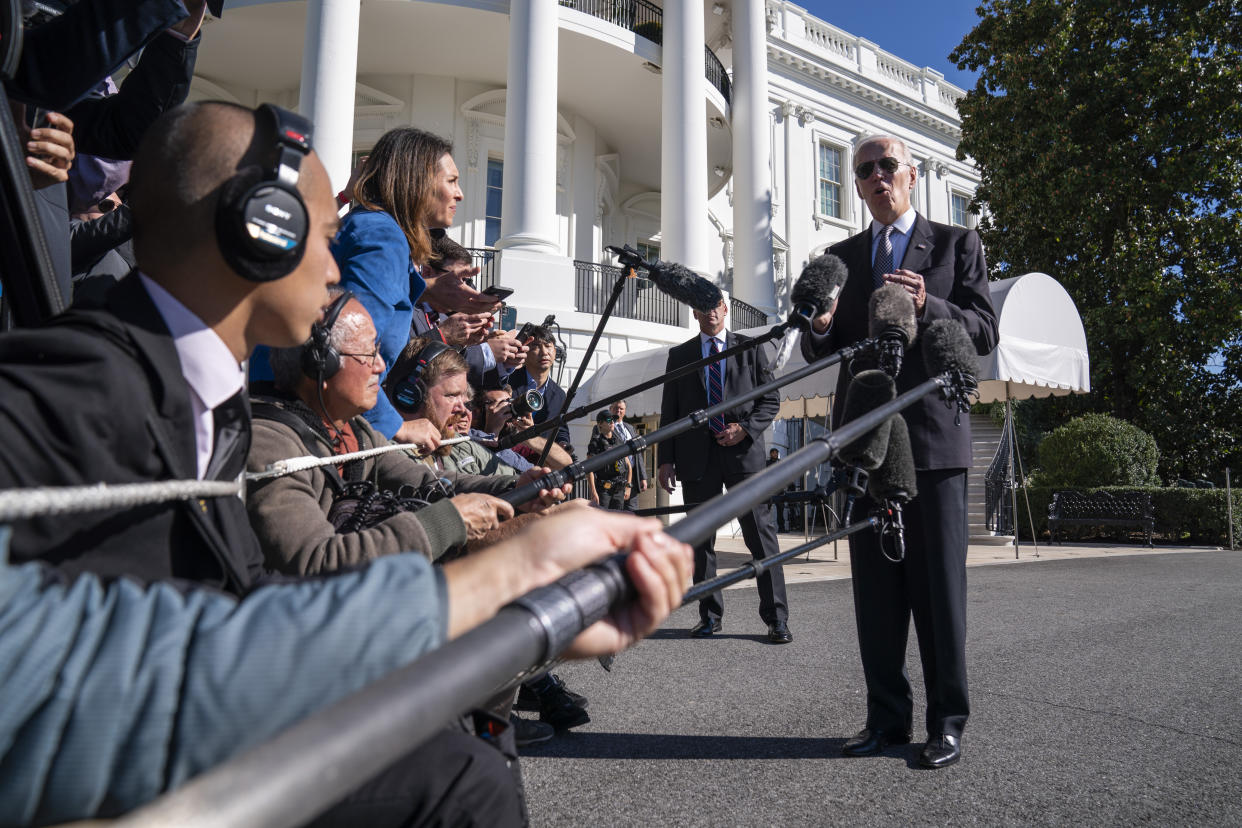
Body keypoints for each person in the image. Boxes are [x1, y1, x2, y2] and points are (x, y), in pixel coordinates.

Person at [0, 100, 693, 825]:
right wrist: (493, 577)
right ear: (258, 233)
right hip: (141, 760)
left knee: (462, 753)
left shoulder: (202, 395)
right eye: (328, 239)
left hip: (194, 721)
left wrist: (506, 561)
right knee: (463, 781)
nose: (338, 273)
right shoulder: (72, 390)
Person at [801, 134, 998, 769]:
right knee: (876, 598)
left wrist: (928, 303)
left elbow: (984, 331)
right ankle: (885, 717)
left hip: (934, 439)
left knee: (938, 592)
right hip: (867, 444)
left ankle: (947, 720)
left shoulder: (955, 244)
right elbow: (819, 353)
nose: (878, 176)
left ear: (911, 175)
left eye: (888, 166)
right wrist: (823, 327)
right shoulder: (841, 257)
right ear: (856, 186)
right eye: (865, 171)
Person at [247, 294, 523, 575]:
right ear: (321, 362)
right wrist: (448, 522)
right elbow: (314, 562)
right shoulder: (269, 442)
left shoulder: (353, 430)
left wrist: (515, 487)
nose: (380, 366)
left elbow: (425, 483)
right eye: (369, 354)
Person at [658, 298, 792, 645]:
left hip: (744, 457)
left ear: (725, 308)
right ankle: (710, 616)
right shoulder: (680, 355)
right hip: (695, 458)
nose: (711, 311)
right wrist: (665, 459)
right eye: (703, 307)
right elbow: (669, 412)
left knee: (761, 537)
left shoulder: (749, 348)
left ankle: (776, 618)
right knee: (702, 543)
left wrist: (745, 428)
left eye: (716, 304)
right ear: (695, 313)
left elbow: (770, 399)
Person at [333, 127, 462, 446]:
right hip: (328, 425)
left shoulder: (374, 227)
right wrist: (395, 426)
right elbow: (352, 351)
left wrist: (428, 288)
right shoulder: (382, 236)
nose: (459, 194)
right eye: (451, 181)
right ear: (418, 182)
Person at [415, 233, 528, 390]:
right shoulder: (406, 310)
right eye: (457, 278)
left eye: (467, 280)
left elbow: (465, 383)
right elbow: (398, 364)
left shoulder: (451, 317)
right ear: (427, 273)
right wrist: (485, 353)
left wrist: (502, 363)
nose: (465, 288)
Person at [507, 325, 574, 456]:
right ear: (525, 352)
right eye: (536, 346)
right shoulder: (507, 381)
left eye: (548, 346)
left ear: (555, 352)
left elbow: (561, 430)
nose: (544, 352)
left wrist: (563, 444)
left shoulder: (560, 395)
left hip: (539, 462)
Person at [587, 410, 631, 510]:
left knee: (618, 520)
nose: (612, 422)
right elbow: (589, 469)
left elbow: (628, 464)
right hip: (604, 490)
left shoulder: (619, 441)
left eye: (613, 420)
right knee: (602, 519)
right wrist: (593, 492)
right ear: (600, 424)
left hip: (619, 490)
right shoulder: (595, 443)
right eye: (608, 420)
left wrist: (628, 486)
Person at [610, 398, 648, 511]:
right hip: (615, 477)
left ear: (625, 411)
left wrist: (643, 477)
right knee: (616, 511)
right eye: (616, 408)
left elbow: (638, 454)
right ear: (610, 409)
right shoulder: (604, 427)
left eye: (621, 409)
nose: (618, 411)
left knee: (632, 511)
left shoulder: (630, 427)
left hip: (633, 477)